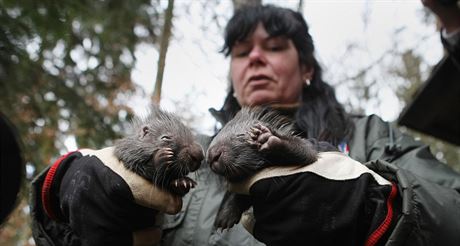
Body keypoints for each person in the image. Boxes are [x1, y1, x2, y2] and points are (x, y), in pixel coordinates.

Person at [31, 1, 460, 246]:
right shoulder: (188, 153)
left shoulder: (373, 138)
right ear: (233, 76)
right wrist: (63, 195)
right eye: (241, 52)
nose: (255, 58)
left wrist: (375, 211)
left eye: (273, 46)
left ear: (307, 67)